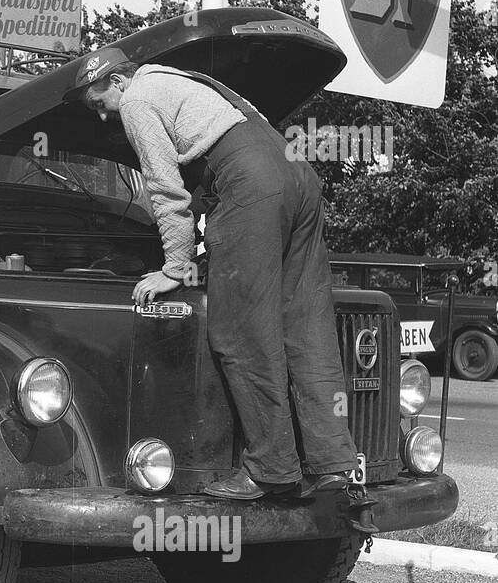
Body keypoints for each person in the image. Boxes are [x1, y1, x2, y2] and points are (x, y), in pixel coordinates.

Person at [77, 48, 357, 501]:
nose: (104, 117)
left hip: (251, 181)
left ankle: (271, 470)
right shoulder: (183, 79)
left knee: (243, 332)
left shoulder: (136, 100)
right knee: (308, 327)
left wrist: (176, 266)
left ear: (117, 81)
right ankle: (332, 463)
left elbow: (165, 188)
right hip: (298, 177)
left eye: (98, 104)